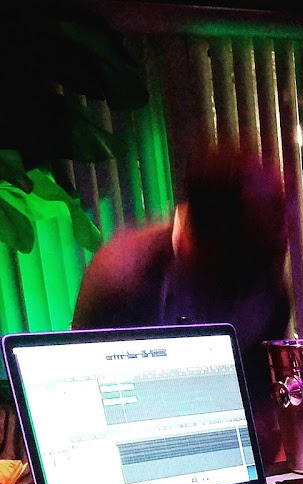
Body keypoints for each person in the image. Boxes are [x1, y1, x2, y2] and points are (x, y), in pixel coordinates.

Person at [73, 141, 290, 467]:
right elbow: (86, 412)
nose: (282, 243)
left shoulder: (266, 284)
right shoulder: (121, 279)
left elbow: (261, 418)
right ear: (209, 232)